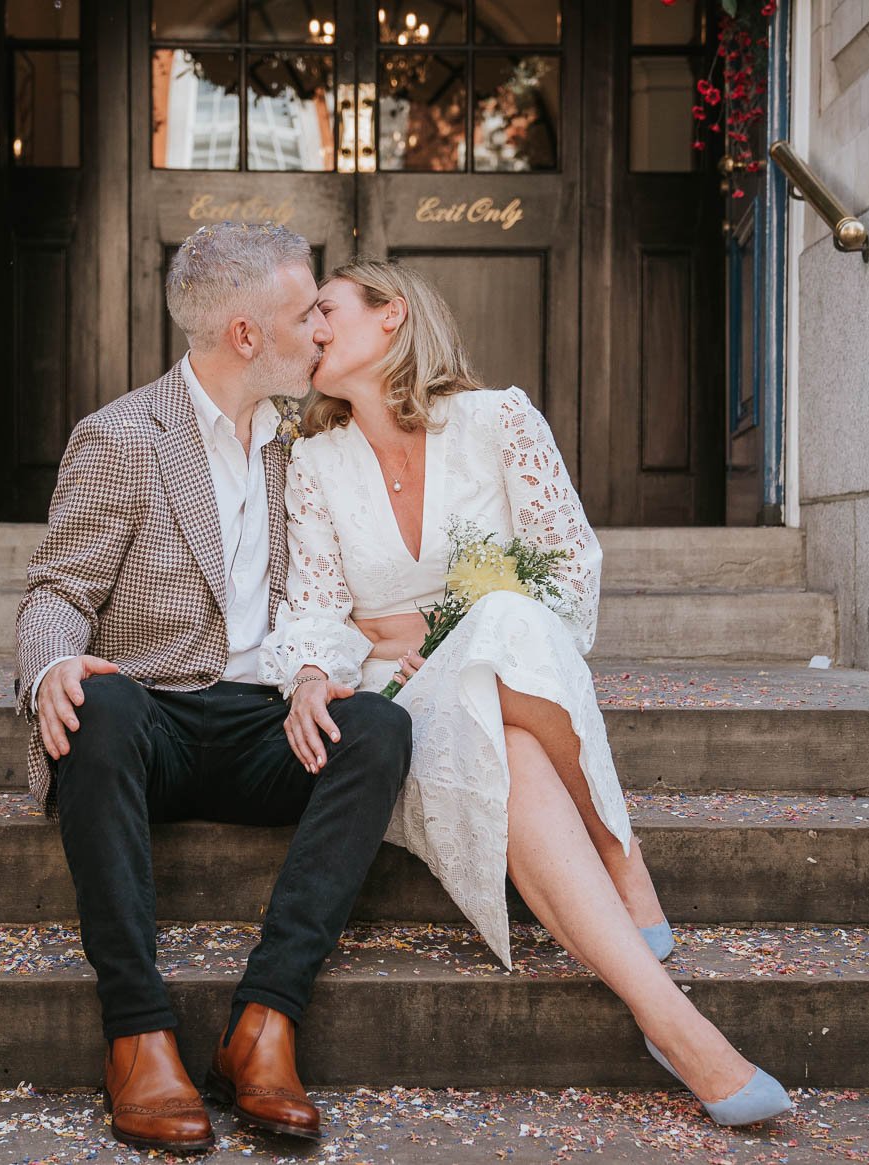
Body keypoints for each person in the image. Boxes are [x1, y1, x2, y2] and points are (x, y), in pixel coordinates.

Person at [258, 260, 794, 1128]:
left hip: (504, 673)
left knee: (506, 641)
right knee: (491, 643)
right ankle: (636, 906)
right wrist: (319, 672)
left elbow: (568, 581)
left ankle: (670, 1018)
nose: (309, 329)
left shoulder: (498, 419)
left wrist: (442, 623)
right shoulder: (314, 463)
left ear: (392, 316)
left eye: (326, 309)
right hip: (401, 700)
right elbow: (316, 607)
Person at [15, 224, 412, 1154]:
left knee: (382, 732)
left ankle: (264, 1024)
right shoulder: (121, 436)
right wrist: (51, 667)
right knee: (98, 700)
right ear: (246, 335)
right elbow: (58, 589)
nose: (321, 327)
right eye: (305, 310)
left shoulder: (309, 441)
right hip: (146, 724)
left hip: (264, 726)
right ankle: (138, 1034)